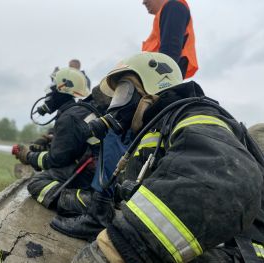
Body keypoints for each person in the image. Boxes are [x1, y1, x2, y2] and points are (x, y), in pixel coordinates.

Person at [69, 52, 264, 262]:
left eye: (124, 92)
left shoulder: (194, 114)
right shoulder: (155, 129)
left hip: (243, 251)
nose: (118, 105)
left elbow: (228, 179)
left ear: (152, 87)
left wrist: (125, 245)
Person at [12, 67, 98, 209]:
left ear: (63, 90)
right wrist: (51, 140)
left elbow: (55, 160)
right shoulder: (79, 111)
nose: (49, 95)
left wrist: (28, 156)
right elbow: (75, 143)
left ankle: (86, 203)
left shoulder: (69, 117)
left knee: (37, 183)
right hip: (94, 171)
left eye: (52, 89)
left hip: (86, 174)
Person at [141, 0, 198, 79]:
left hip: (159, 80)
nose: (144, 2)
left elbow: (169, 54)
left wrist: (155, 78)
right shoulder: (168, 11)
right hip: (158, 80)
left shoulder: (174, 7)